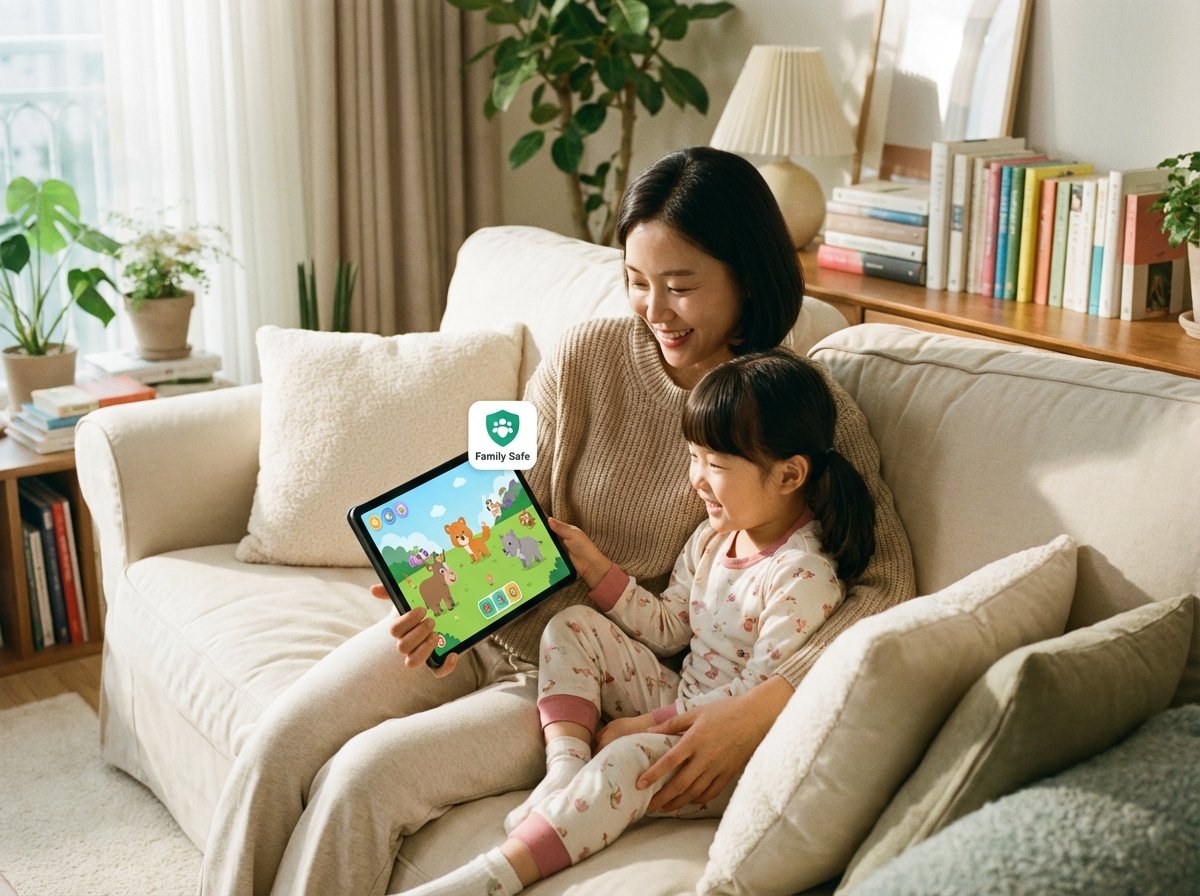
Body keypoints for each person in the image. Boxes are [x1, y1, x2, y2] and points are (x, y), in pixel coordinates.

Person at [200, 146, 913, 896]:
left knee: (362, 782)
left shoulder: (801, 406)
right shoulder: (588, 355)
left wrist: (770, 702)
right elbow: (500, 488)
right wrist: (440, 592)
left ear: (747, 274)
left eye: (681, 286)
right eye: (638, 282)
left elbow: (887, 582)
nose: (654, 310)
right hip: (484, 618)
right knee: (279, 742)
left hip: (580, 679)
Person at [398, 348, 877, 896]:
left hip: (727, 753)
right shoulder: (714, 537)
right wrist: (597, 567)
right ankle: (565, 766)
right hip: (683, 699)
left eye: (715, 465)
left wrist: (643, 727)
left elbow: (753, 697)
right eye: (694, 457)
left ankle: (494, 877)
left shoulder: (802, 574)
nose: (696, 478)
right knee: (572, 622)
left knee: (625, 756)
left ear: (790, 474)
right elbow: (672, 626)